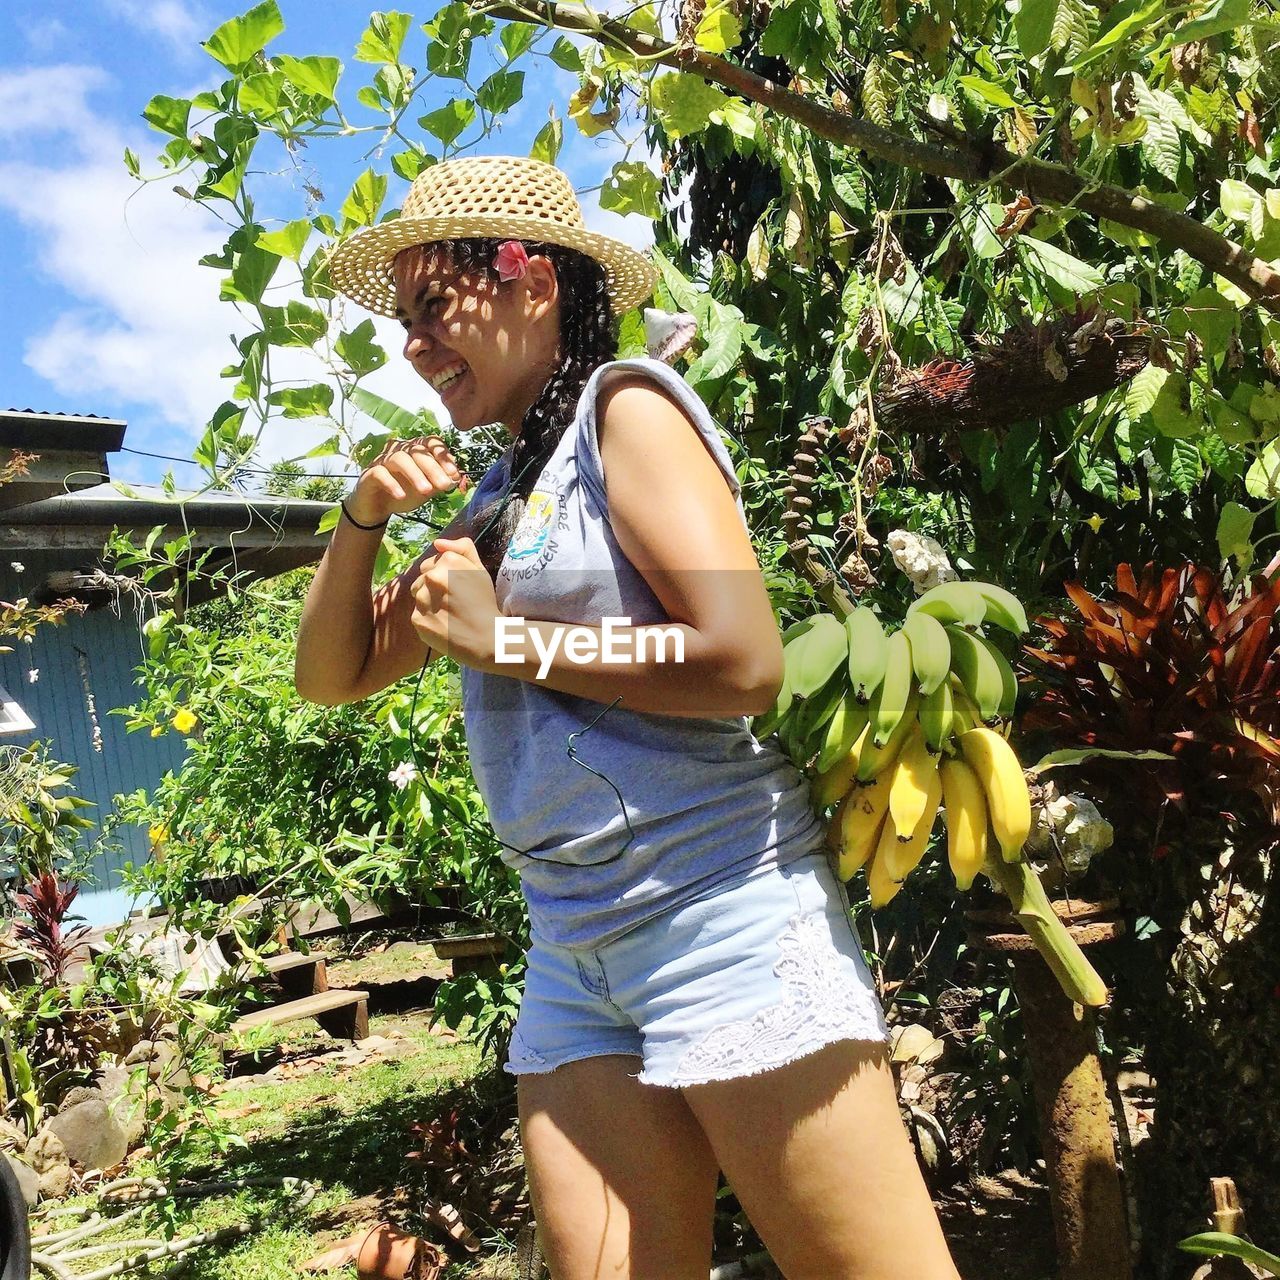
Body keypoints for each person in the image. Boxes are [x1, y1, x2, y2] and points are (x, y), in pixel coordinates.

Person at [297, 154, 961, 1280]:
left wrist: (507, 640)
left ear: (531, 280)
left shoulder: (628, 413)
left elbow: (742, 659)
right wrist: (360, 517)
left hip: (723, 916)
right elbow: (335, 672)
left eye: (430, 307)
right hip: (573, 945)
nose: (411, 343)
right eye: (399, 320)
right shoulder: (499, 496)